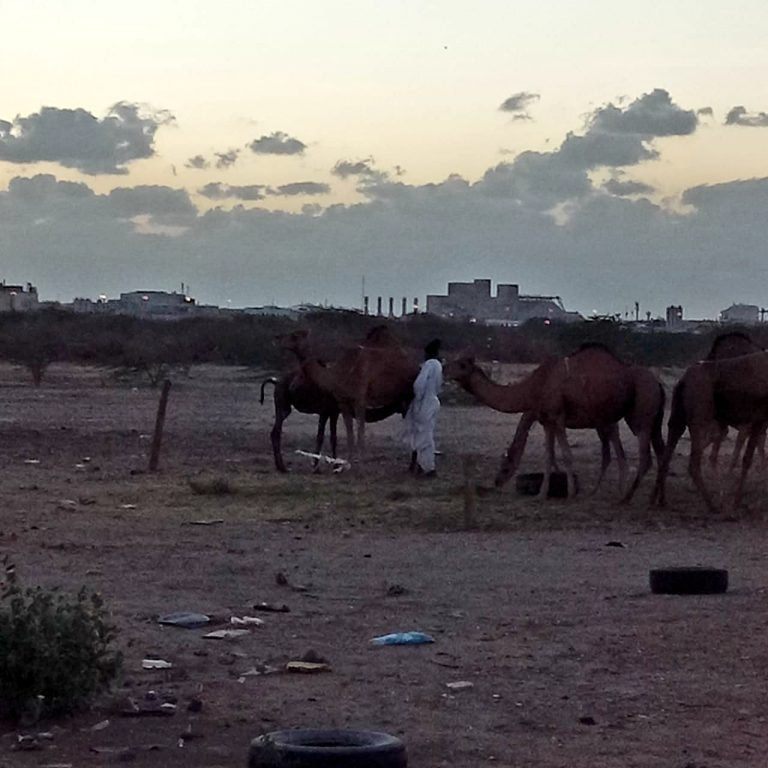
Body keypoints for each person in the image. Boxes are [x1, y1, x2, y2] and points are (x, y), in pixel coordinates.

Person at [403, 338, 443, 478]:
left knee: (422, 436)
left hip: (425, 403)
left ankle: (428, 468)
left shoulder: (428, 365)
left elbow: (419, 385)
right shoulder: (438, 365)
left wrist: (417, 398)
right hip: (433, 401)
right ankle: (424, 465)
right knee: (427, 435)